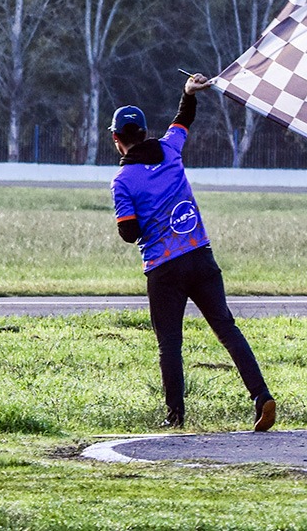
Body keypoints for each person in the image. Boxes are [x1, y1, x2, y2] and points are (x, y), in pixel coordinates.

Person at [109, 73, 276, 432]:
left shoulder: (122, 181)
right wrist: (188, 92)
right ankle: (261, 396)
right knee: (227, 329)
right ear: (143, 132)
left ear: (116, 140)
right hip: (200, 256)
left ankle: (176, 417)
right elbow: (183, 119)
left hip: (163, 268)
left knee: (170, 345)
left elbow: (128, 232)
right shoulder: (170, 149)